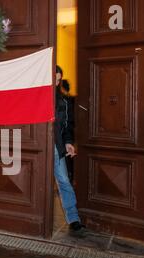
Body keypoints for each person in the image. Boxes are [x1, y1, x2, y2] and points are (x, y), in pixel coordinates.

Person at [54, 65, 86, 234]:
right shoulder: (37, 98)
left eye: (59, 79)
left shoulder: (64, 101)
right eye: (54, 78)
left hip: (56, 147)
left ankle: (74, 220)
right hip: (39, 148)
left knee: (64, 181)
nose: (56, 82)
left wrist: (68, 142)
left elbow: (66, 126)